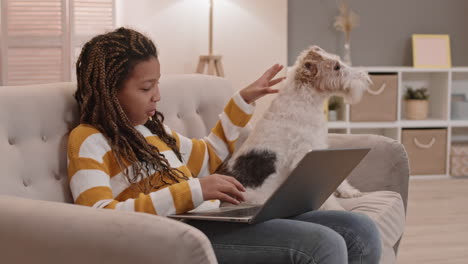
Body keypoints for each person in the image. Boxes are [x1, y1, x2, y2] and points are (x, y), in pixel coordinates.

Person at [68, 27, 381, 263]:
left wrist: (243, 100)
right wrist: (195, 191)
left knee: (359, 228)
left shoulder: (151, 131)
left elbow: (206, 157)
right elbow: (99, 215)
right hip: (176, 236)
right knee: (324, 244)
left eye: (157, 84)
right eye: (147, 87)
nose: (157, 96)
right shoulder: (88, 140)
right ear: (109, 91)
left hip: (211, 218)